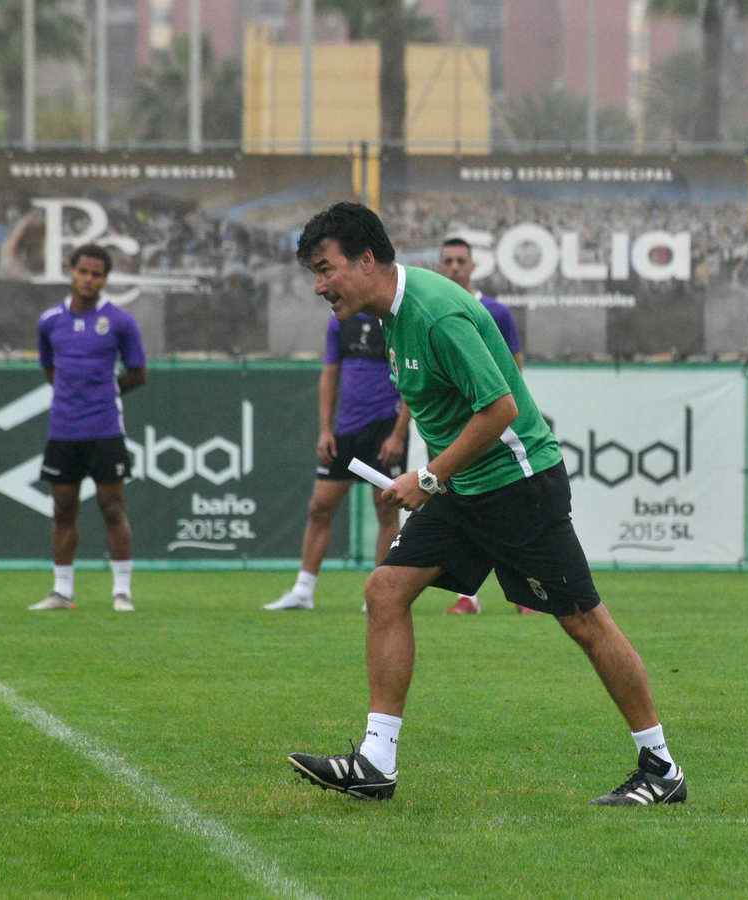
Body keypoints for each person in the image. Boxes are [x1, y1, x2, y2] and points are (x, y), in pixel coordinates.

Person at [285, 202, 685, 806]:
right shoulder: (390, 314)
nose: (319, 286)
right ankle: (376, 762)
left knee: (584, 621)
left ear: (367, 261)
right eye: (314, 273)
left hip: (518, 486)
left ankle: (661, 768)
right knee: (384, 592)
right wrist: (438, 477)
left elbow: (499, 410)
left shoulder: (435, 312)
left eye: (325, 269)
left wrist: (429, 477)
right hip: (468, 490)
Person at [262, 302, 412, 611]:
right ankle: (303, 591)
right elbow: (330, 374)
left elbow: (411, 382)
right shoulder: (340, 321)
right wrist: (325, 430)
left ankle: (379, 594)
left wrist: (398, 434)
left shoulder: (396, 320)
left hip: (386, 430)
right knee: (319, 507)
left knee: (386, 511)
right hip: (345, 432)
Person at [30, 245, 148, 612]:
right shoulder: (49, 321)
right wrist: (73, 395)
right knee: (63, 510)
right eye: (83, 271)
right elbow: (51, 370)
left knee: (112, 508)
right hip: (63, 430)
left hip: (104, 429)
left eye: (97, 274)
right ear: (71, 272)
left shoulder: (121, 321)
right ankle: (62, 592)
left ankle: (122, 592)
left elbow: (138, 373)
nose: (89, 279)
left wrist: (104, 392)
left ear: (105, 280)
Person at [435, 235, 531, 615]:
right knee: (459, 511)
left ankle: (528, 593)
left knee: (511, 509)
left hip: (492, 428)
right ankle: (467, 597)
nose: (455, 267)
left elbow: (514, 366)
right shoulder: (431, 311)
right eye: (448, 261)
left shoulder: (497, 312)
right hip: (449, 430)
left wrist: (514, 415)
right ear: (439, 268)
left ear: (473, 266)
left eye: (461, 260)